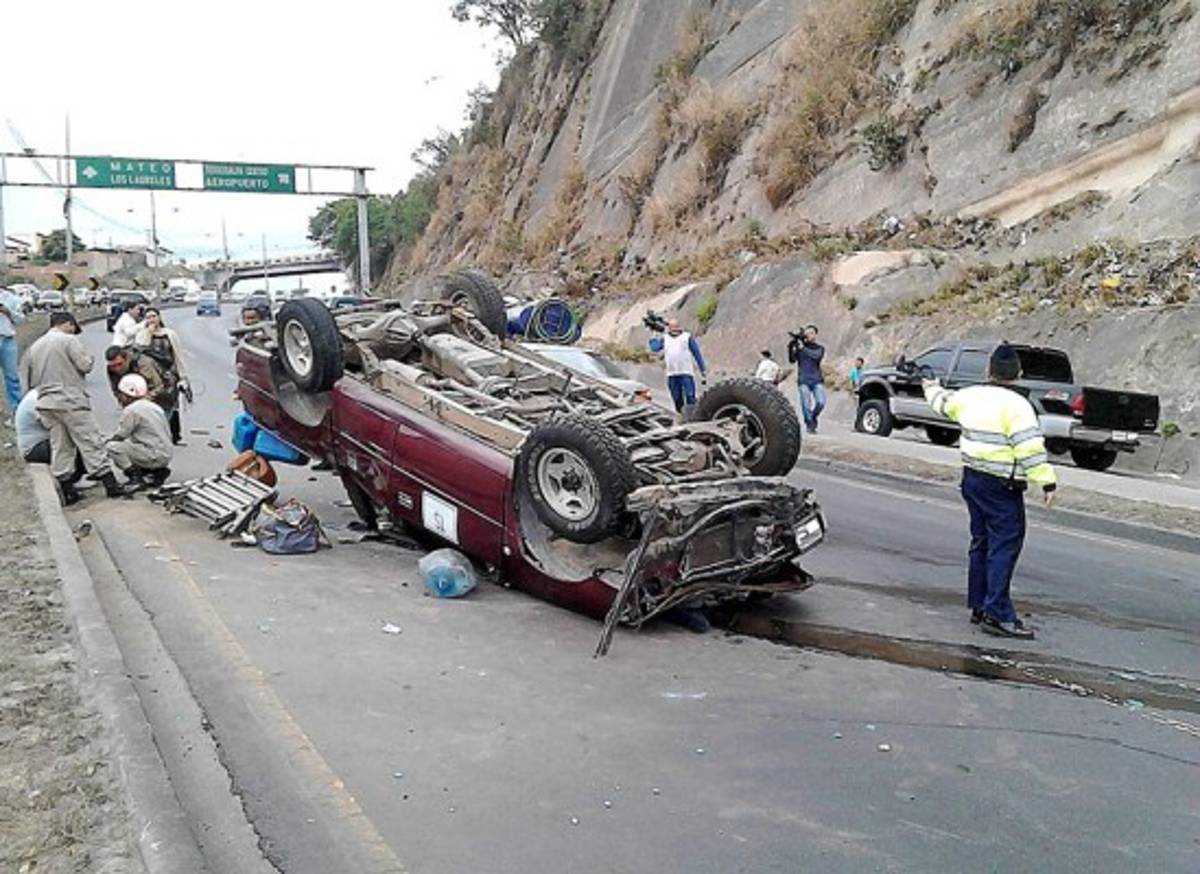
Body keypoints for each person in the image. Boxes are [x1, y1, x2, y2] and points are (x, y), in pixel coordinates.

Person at [922, 343, 1057, 640]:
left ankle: (979, 605)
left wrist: (929, 386)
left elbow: (941, 402)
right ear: (1018, 374)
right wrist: (1046, 481)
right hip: (1002, 486)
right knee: (1004, 545)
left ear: (988, 371)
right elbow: (1030, 449)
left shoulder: (969, 396)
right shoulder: (1019, 406)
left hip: (972, 479)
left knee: (981, 541)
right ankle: (997, 613)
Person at [21, 312, 129, 504]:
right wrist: (90, 357)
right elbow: (85, 365)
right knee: (90, 440)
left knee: (60, 445)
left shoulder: (34, 346)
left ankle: (67, 490)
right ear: (67, 324)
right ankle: (110, 484)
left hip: (45, 401)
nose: (74, 331)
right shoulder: (68, 340)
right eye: (73, 327)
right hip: (69, 398)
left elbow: (28, 380)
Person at [106, 373, 172, 488]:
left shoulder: (132, 410)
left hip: (153, 455)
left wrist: (103, 445)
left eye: (121, 394)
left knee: (113, 447)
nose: (119, 398)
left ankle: (135, 477)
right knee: (130, 443)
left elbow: (121, 435)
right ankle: (157, 472)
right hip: (165, 454)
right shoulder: (154, 406)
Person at [134, 307, 190, 443]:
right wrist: (149, 333)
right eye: (148, 317)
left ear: (159, 317)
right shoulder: (142, 335)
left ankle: (174, 435)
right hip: (151, 375)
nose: (152, 319)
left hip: (170, 374)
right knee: (153, 403)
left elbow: (178, 355)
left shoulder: (170, 334)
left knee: (171, 403)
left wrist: (183, 376)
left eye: (154, 316)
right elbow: (139, 352)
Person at [648, 318, 706, 418]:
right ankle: (681, 416)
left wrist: (702, 369)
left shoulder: (687, 337)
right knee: (677, 397)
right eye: (672, 327)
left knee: (690, 396)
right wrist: (654, 332)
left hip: (686, 372)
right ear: (669, 328)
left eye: (676, 327)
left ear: (679, 327)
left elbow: (696, 353)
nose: (674, 329)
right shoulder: (665, 338)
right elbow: (655, 348)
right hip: (672, 373)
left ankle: (693, 416)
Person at [105, 345, 171, 411]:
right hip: (137, 397)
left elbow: (159, 386)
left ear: (126, 359)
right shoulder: (111, 369)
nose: (117, 369)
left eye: (120, 364)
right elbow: (116, 390)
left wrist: (143, 401)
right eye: (113, 366)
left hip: (164, 391)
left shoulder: (143, 365)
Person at [787, 324, 825, 434]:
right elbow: (792, 360)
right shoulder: (800, 348)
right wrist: (791, 346)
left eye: (812, 333)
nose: (809, 335)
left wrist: (802, 347)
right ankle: (809, 425)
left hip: (817, 380)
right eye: (807, 333)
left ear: (816, 334)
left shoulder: (820, 348)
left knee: (821, 402)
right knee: (805, 404)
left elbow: (816, 356)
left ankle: (813, 417)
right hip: (803, 380)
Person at [0, 284, 27, 419]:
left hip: (7, 339)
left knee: (12, 377)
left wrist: (7, 311)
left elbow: (21, 319)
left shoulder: (11, 298)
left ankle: (17, 410)